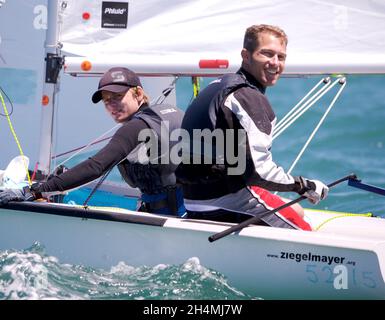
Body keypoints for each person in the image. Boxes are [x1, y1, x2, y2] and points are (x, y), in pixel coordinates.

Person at [176, 24, 329, 230]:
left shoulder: (218, 86)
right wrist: (303, 186)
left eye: (281, 57)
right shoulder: (248, 97)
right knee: (305, 233)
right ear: (245, 55)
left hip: (193, 200)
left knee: (297, 211)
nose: (275, 63)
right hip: (226, 199)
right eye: (266, 54)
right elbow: (259, 172)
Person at [0, 67, 185, 216]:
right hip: (193, 210)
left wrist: (34, 191)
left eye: (118, 97)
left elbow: (96, 167)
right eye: (106, 101)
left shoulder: (134, 129)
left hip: (169, 217)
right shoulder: (170, 112)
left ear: (138, 93)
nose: (112, 105)